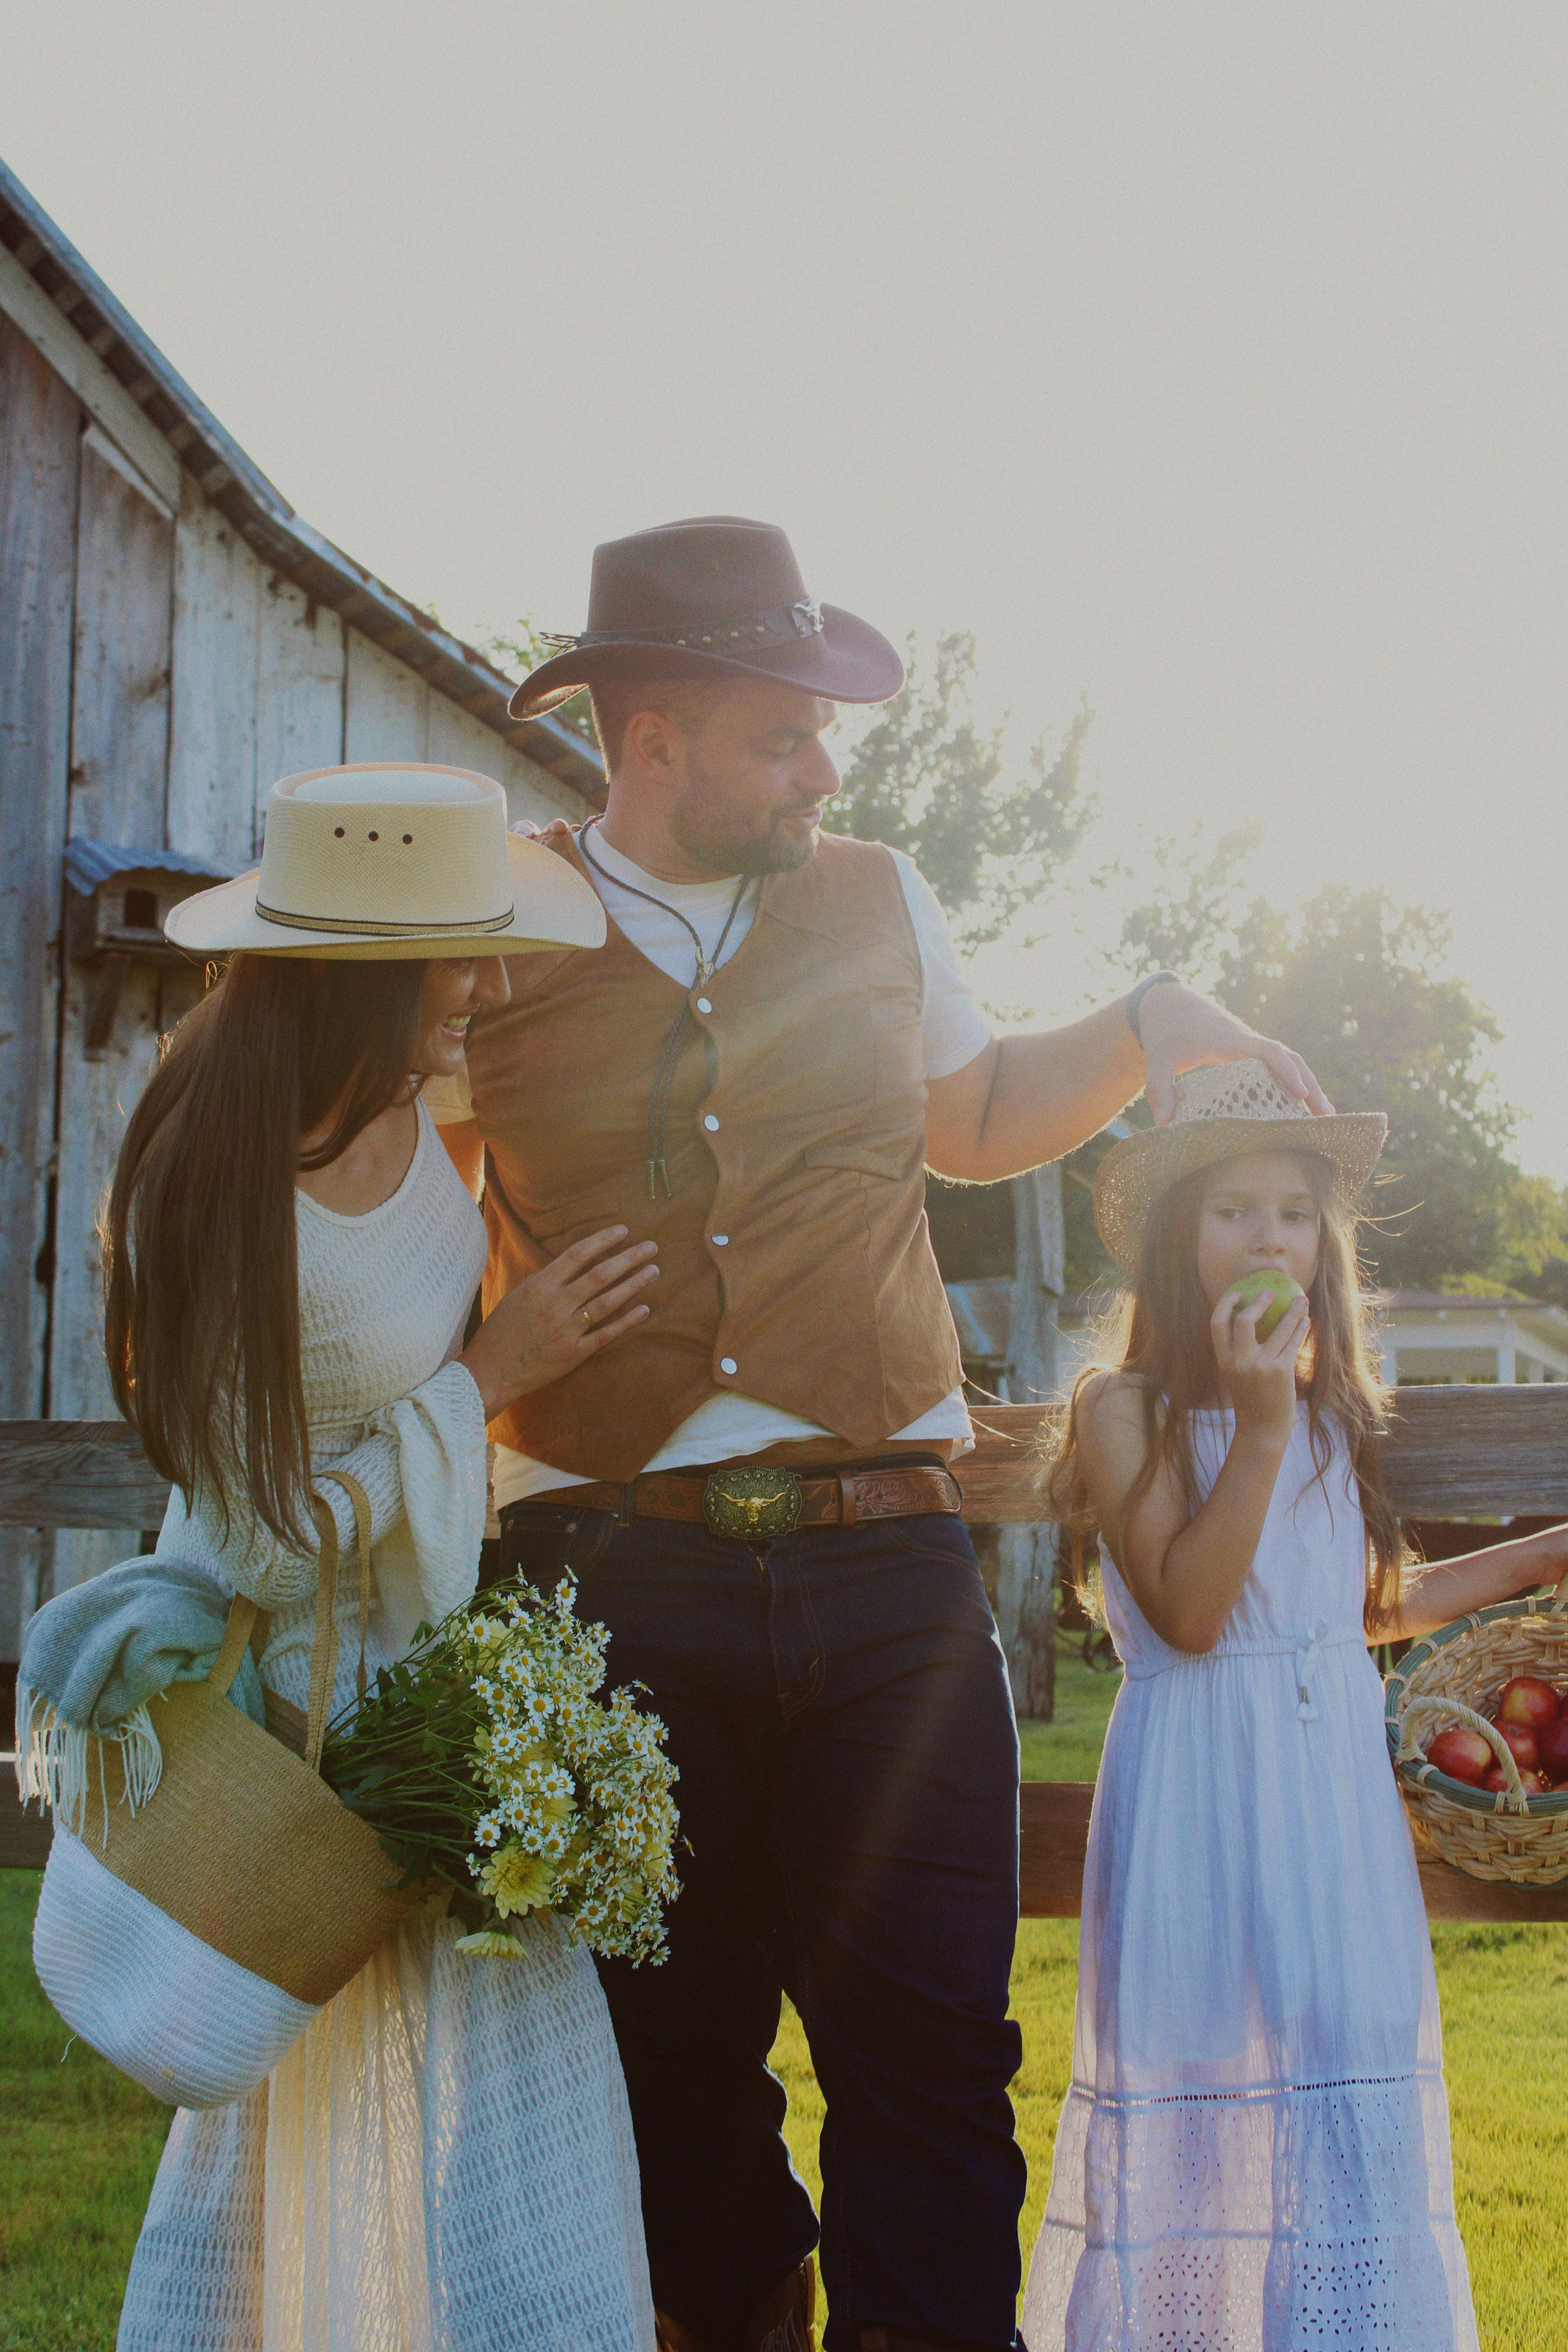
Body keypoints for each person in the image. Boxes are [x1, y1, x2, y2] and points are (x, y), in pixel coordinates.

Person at [426, 516, 1336, 2352]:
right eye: (784, 737)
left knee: (930, 2057)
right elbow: (379, 1204)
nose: (825, 775)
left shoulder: (878, 893)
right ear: (652, 739)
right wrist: (482, 1354)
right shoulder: (489, 923)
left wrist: (1150, 1018)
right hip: (606, 1580)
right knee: (667, 2072)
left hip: (890, 1573)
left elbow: (977, 1114)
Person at [59, 766, 663, 2352]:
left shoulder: (405, 1102)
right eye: (460, 957)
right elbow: (258, 1540)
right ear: (362, 972)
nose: (489, 988)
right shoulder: (219, 1183)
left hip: (436, 1660)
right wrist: (489, 1376)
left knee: (511, 2114)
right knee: (316, 2104)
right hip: (318, 1718)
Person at [1022, 1058, 1568, 2351]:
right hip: (1200, 1788)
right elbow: (1195, 1614)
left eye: (1293, 1213)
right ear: (1179, 1240)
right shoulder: (1124, 1409)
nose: (1267, 1238)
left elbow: (1344, 1612)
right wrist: (1259, 1428)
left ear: (1323, 1246)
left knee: (1342, 2061)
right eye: (1232, 1211)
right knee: (1203, 2072)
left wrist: (1537, 1559)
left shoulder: (1327, 1416)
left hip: (1329, 1806)